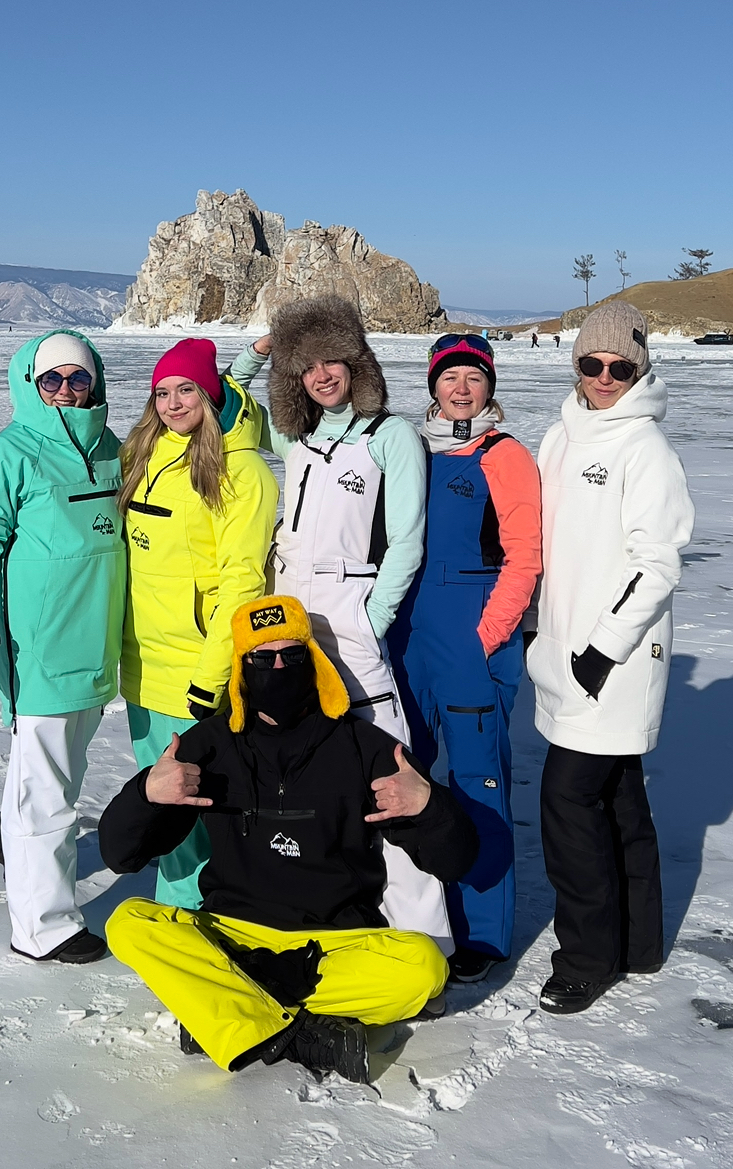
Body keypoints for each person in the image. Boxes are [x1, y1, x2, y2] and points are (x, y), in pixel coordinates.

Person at [100, 595, 479, 1082]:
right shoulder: (209, 746)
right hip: (232, 936)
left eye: (292, 655)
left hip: (331, 946)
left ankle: (231, 1009)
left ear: (313, 662)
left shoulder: (363, 747)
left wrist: (429, 805)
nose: (278, 667)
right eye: (262, 657)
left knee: (424, 968)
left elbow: (457, 861)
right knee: (129, 922)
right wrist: (148, 793)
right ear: (241, 668)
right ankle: (299, 1036)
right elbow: (118, 854)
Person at [229, 296, 450, 948]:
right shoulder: (295, 437)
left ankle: (424, 941)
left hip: (350, 618)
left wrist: (370, 617)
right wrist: (263, 350)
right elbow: (225, 397)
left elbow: (407, 541)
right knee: (298, 777)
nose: (323, 374)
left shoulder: (391, 437)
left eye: (334, 359)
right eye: (308, 364)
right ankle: (328, 919)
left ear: (358, 361)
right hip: (286, 623)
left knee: (389, 776)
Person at [524, 301, 695, 1013]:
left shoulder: (646, 449)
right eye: (591, 364)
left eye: (619, 367)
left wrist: (600, 650)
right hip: (563, 648)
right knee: (620, 799)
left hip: (612, 661)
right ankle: (639, 940)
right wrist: (541, 629)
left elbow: (658, 565)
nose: (603, 377)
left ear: (639, 367)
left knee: (568, 800)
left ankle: (588, 957)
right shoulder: (559, 436)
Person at [0, 330, 125, 963]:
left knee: (53, 773)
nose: (64, 392)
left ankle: (11, 837)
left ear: (96, 383)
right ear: (30, 384)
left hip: (100, 642)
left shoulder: (113, 449)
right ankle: (42, 927)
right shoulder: (10, 453)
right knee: (47, 792)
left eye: (77, 380)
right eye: (50, 381)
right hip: (42, 645)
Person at [389, 333, 541, 983]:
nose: (460, 388)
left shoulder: (504, 456)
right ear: (432, 385)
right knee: (403, 776)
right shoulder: (410, 448)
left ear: (490, 387)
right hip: (407, 634)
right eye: (449, 377)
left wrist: (485, 638)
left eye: (473, 378)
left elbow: (525, 557)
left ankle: (482, 930)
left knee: (477, 781)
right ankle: (416, 914)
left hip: (474, 633)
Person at [118, 338, 277, 909]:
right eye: (162, 392)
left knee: (199, 814)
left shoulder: (242, 471)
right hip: (141, 669)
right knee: (164, 811)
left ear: (210, 396)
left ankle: (200, 926)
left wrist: (211, 677)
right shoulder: (144, 455)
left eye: (187, 389)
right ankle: (178, 920)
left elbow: (243, 583)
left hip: (192, 674)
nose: (173, 403)